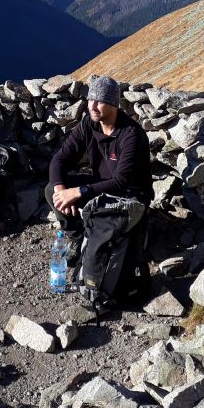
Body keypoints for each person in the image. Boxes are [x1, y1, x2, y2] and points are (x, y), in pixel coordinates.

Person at [45, 75, 153, 268]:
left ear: (114, 104)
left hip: (129, 196)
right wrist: (62, 191)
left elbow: (121, 181)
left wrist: (78, 192)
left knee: (92, 210)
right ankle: (76, 237)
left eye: (100, 101)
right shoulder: (90, 123)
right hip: (101, 187)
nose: (93, 106)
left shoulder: (131, 135)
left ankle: (104, 244)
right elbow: (60, 159)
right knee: (51, 189)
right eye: (91, 100)